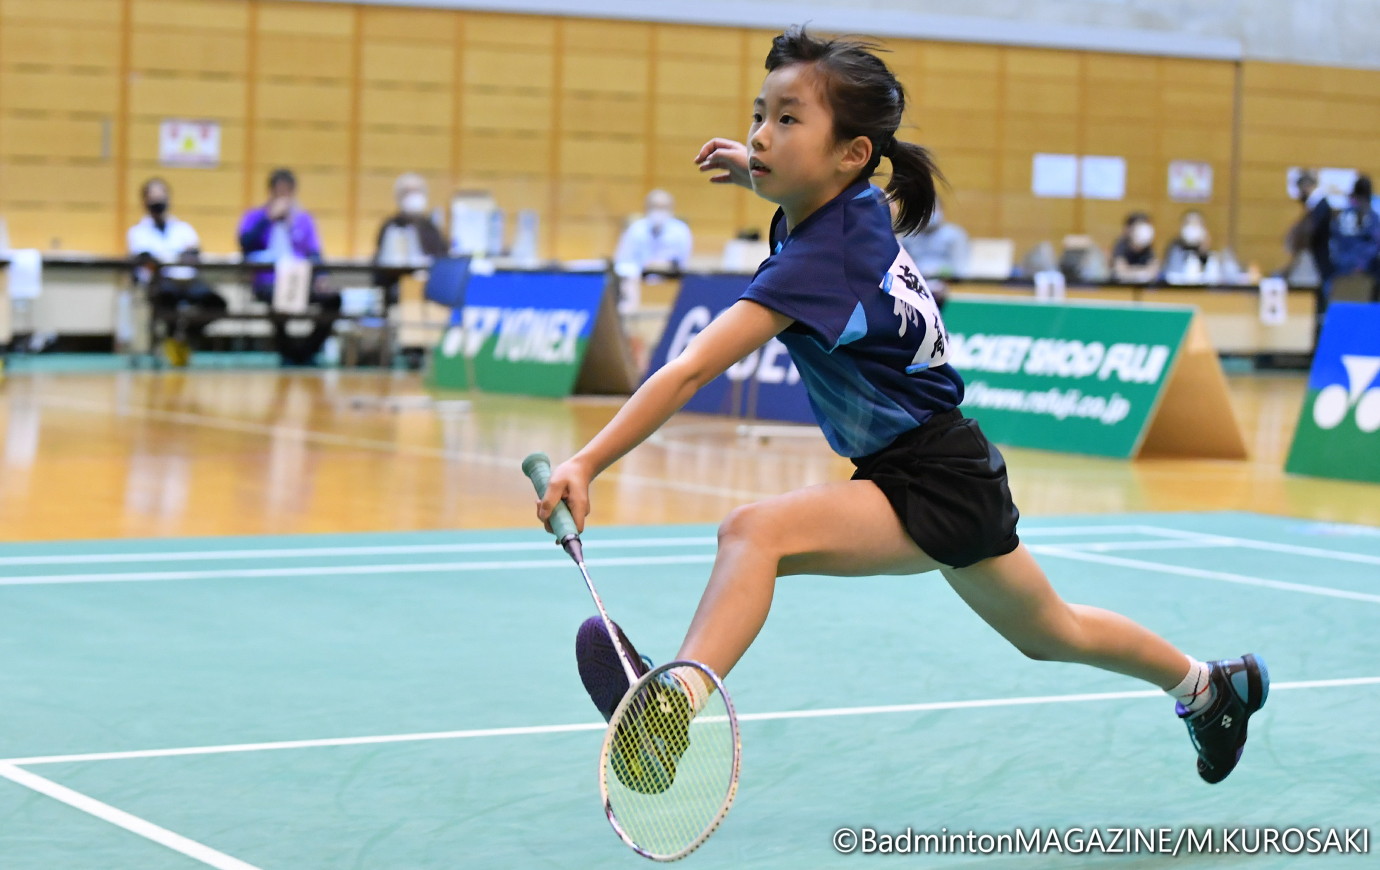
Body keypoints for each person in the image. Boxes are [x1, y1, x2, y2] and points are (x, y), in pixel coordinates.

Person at [540, 26, 1266, 792]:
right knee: (1053, 631)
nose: (760, 134)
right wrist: (756, 173)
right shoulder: (850, 210)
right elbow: (817, 189)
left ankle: (674, 707)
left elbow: (688, 370)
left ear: (852, 153)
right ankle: (1209, 688)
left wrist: (586, 461)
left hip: (930, 472)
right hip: (945, 463)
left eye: (788, 120)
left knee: (754, 533)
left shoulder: (820, 260)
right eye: (759, 114)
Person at [237, 168, 338, 365]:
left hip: (301, 278)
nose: (283, 196)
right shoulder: (256, 216)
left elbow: (314, 252)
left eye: (287, 191)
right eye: (279, 191)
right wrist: (268, 219)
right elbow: (245, 244)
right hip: (268, 280)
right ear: (271, 191)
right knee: (277, 297)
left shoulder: (303, 219)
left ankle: (306, 351)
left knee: (333, 299)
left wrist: (322, 277)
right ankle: (287, 352)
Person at [127, 178, 227, 366]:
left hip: (188, 280)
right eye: (153, 197)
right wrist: (174, 257)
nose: (158, 201)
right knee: (166, 301)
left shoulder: (183, 228)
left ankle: (184, 336)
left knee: (217, 303)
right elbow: (146, 260)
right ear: (145, 201)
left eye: (162, 196)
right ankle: (173, 338)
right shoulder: (137, 232)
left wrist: (175, 257)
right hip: (160, 283)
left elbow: (194, 254)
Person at [374, 172, 447, 306]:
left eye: (417, 191)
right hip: (396, 288)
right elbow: (382, 262)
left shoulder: (430, 227)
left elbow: (442, 257)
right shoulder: (391, 225)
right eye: (407, 192)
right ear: (399, 196)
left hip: (429, 290)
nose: (413, 197)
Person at [613, 189, 694, 276]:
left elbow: (684, 263)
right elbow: (622, 261)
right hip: (638, 277)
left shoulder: (681, 230)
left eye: (663, 207)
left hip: (669, 278)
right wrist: (642, 268)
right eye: (654, 206)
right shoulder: (635, 229)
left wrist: (667, 266)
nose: (659, 211)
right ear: (646, 208)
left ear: (671, 209)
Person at [1327, 174, 1380, 304]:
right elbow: (1374, 244)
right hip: (1363, 271)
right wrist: (1360, 264)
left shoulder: (1341, 215)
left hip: (1341, 268)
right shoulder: (1371, 217)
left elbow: (1334, 241)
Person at [898, 199, 968, 278]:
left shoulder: (954, 235)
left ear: (941, 211)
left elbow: (960, 268)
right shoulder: (908, 237)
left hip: (946, 281)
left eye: (933, 209)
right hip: (915, 281)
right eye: (924, 211)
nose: (928, 214)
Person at [1110, 212, 1159, 283]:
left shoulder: (1148, 248)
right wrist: (1142, 273)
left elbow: (1153, 271)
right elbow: (1121, 272)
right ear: (1128, 229)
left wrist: (1132, 271)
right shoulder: (1121, 245)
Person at [1163, 209, 1211, 277]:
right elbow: (1172, 273)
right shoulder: (1175, 248)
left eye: (1196, 224)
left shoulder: (1208, 252)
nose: (1192, 228)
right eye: (1188, 223)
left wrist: (1203, 250)